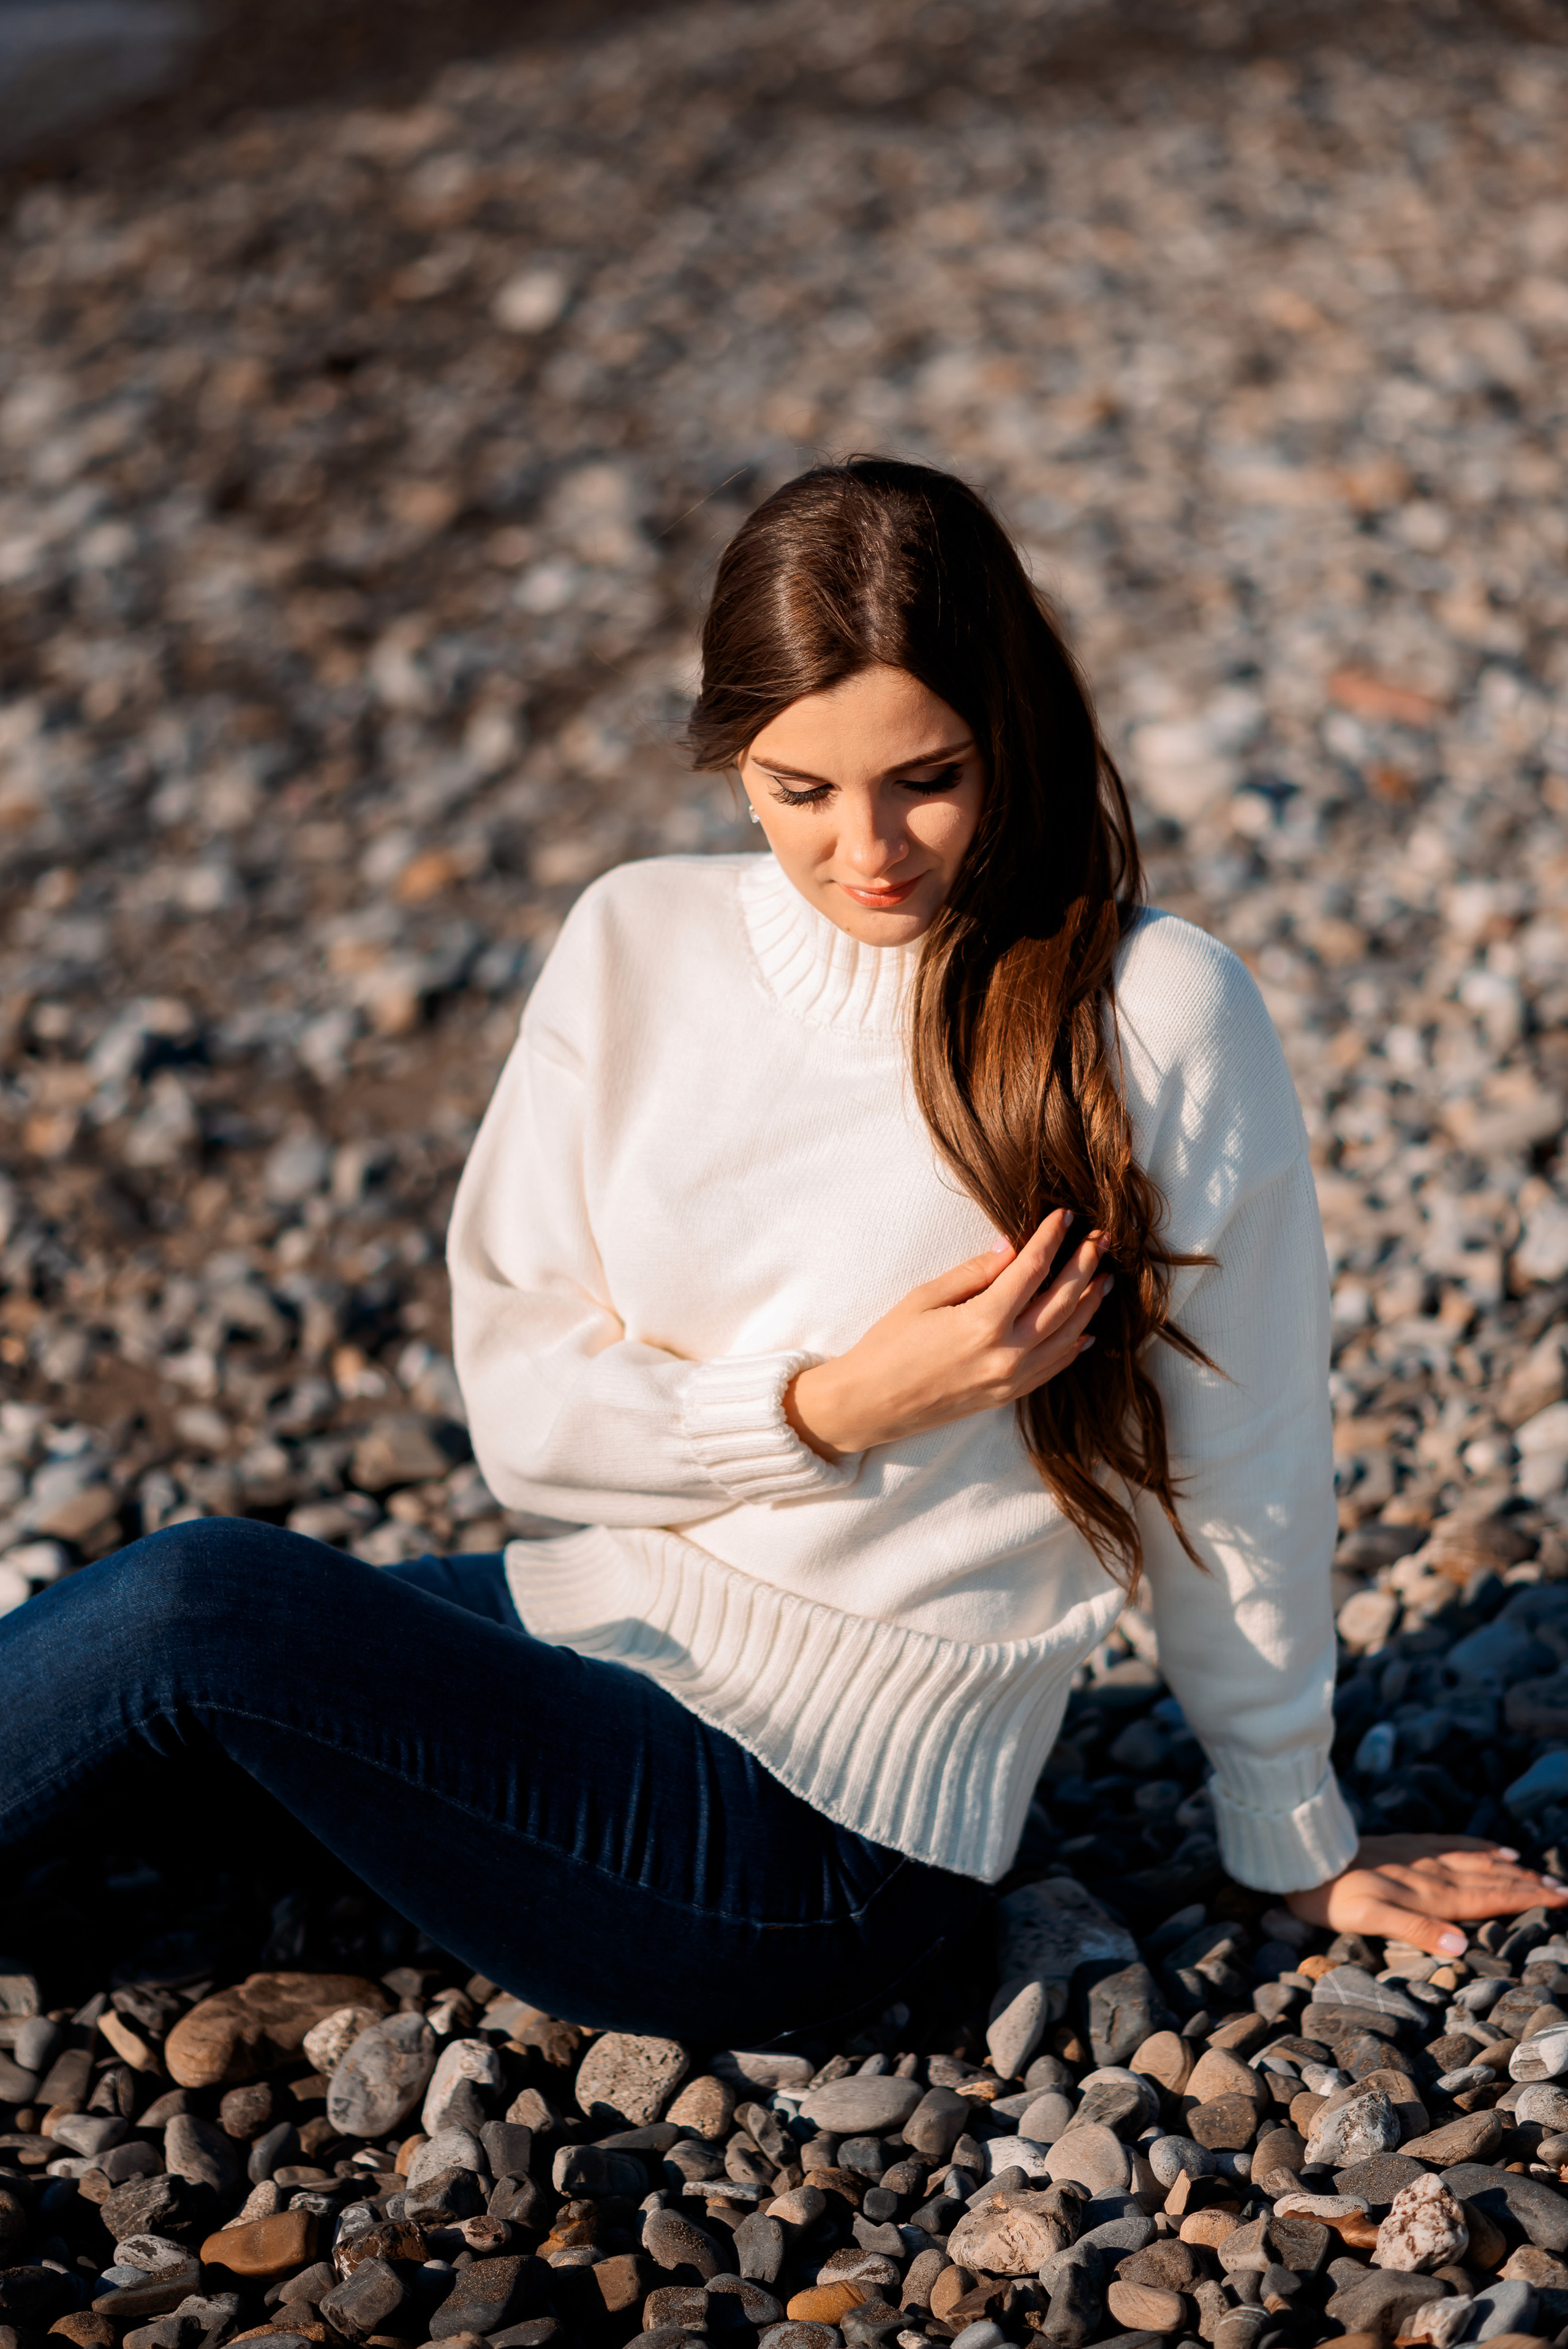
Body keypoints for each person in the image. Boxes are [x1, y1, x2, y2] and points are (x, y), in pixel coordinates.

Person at [1, 458, 1558, 2043]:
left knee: (197, 1607)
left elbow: (1245, 1461)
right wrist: (830, 1405)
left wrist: (1293, 1831)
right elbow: (529, 1416)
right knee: (141, 1729)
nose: (868, 847)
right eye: (801, 788)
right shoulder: (634, 942)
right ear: (733, 755)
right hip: (612, 1618)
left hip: (813, 1851)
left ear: (1010, 726)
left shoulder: (1153, 1014)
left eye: (926, 778)